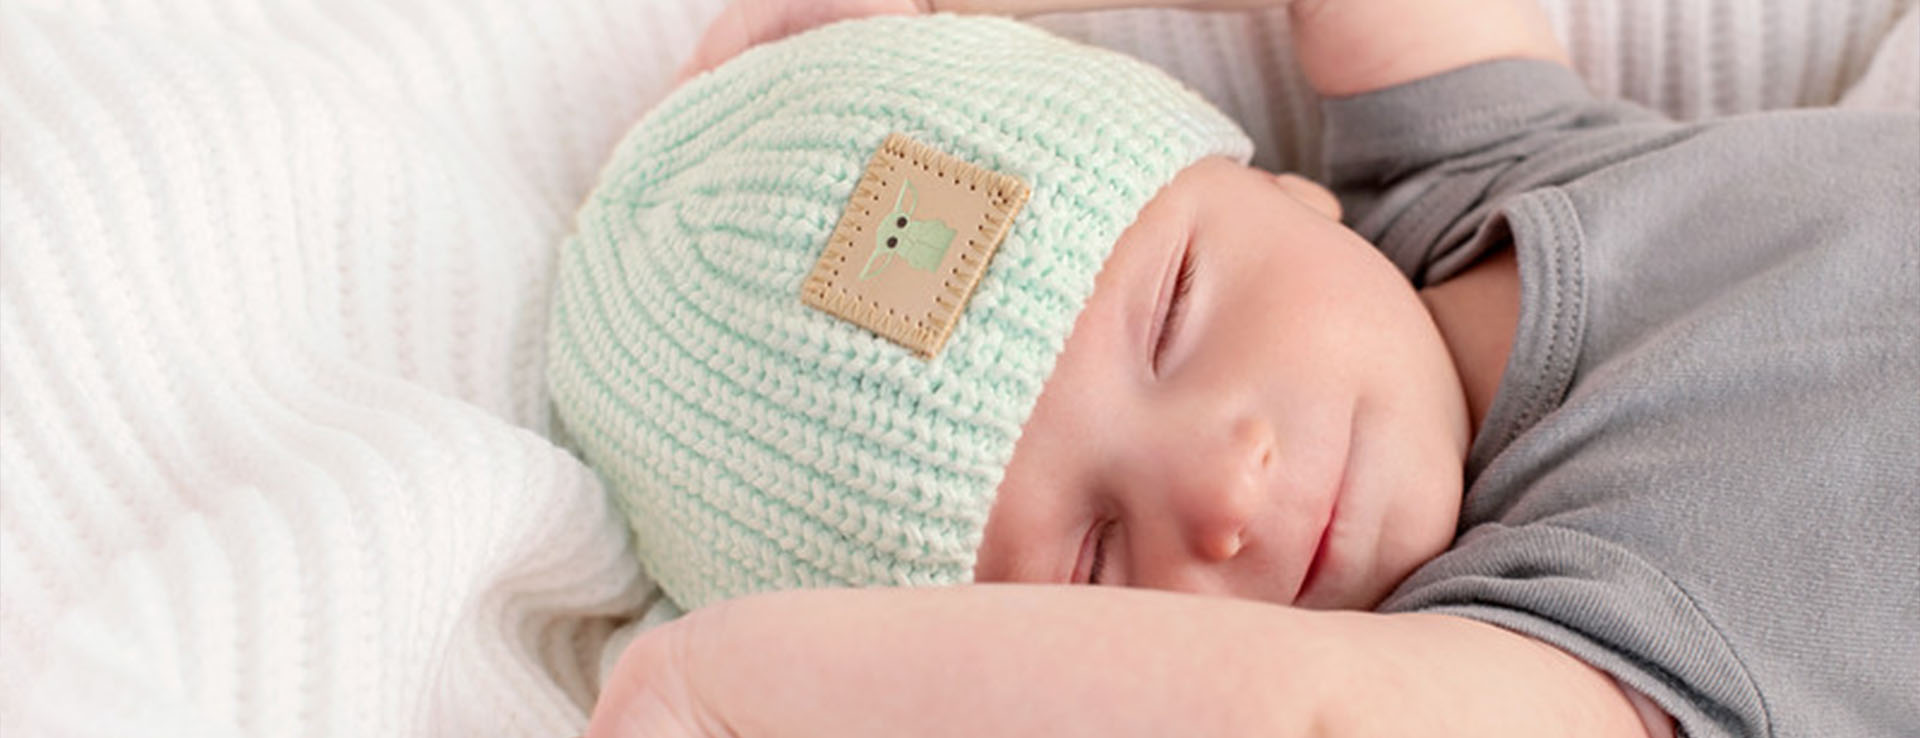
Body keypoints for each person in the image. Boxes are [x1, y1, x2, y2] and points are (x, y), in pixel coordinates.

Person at [551, 1, 1919, 736]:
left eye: (1175, 313)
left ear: (1283, 193)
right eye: (1093, 562)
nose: (1221, 490)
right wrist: (729, 684)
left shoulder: (1481, 165)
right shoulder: (1540, 647)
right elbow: (1311, 718)